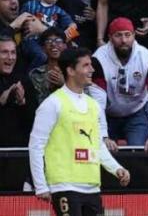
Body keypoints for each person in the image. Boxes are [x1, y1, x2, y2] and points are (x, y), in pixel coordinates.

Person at [28, 48, 130, 215]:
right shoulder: (52, 104)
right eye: (86, 65)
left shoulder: (94, 105)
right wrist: (40, 185)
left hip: (91, 186)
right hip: (64, 185)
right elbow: (36, 145)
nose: (92, 69)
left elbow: (97, 144)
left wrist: (116, 168)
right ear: (70, 70)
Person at [91, 18, 148, 152]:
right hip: (108, 114)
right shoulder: (98, 60)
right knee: (104, 153)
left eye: (127, 35)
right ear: (110, 37)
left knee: (138, 154)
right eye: (118, 35)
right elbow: (97, 102)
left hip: (137, 112)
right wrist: (103, 135)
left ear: (134, 35)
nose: (124, 40)